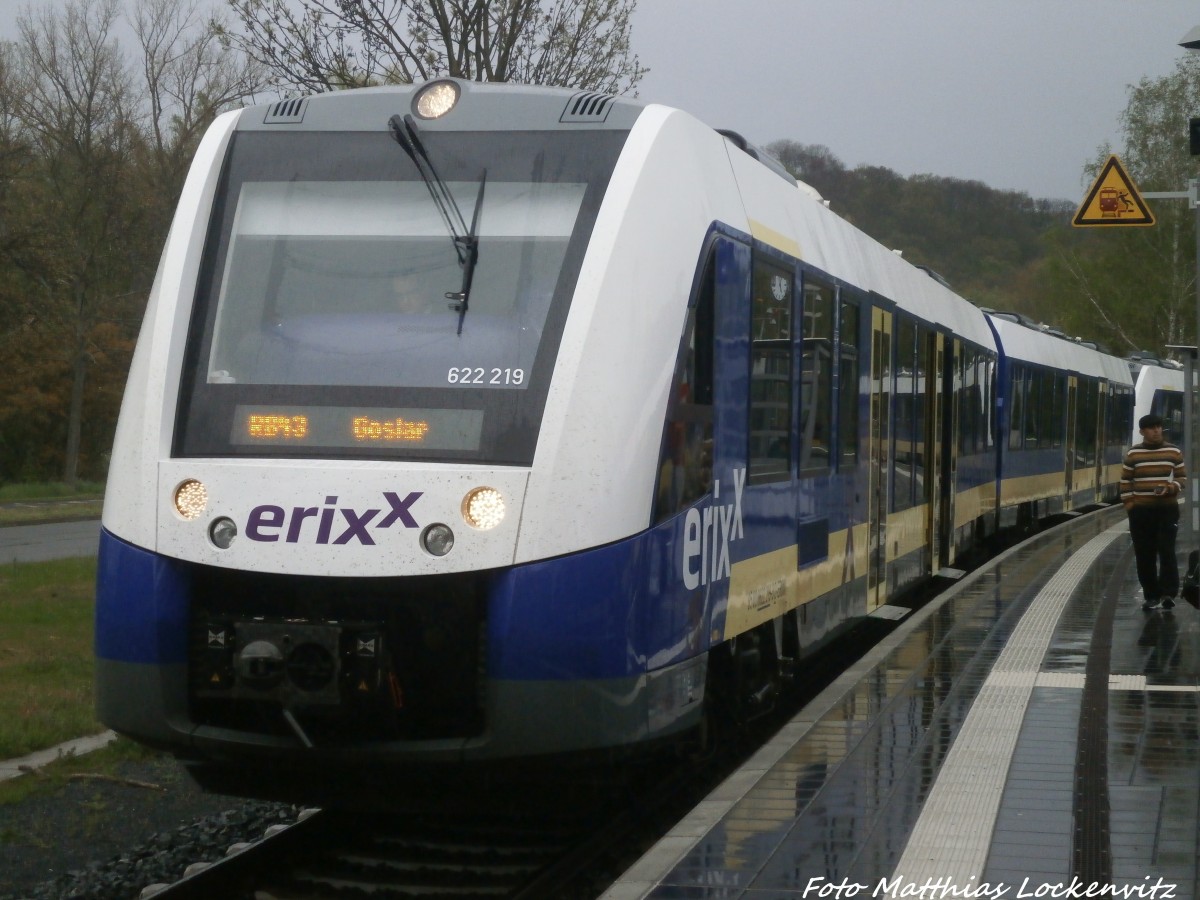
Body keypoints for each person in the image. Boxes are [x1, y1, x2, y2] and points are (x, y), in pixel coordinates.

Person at [1120, 414, 1187, 610]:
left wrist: (1171, 487)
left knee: (1167, 551)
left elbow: (1182, 477)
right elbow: (1125, 482)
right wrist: (1131, 506)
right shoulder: (1133, 455)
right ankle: (1151, 595)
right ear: (1142, 432)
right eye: (1151, 428)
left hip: (1167, 510)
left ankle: (1168, 593)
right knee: (1144, 553)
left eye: (1158, 427)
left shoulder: (1173, 452)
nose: (1156, 431)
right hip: (1141, 512)